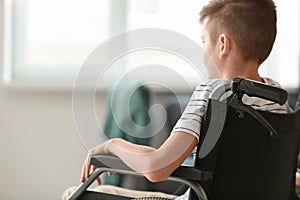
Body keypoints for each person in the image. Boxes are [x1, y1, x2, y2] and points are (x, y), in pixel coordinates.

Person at [62, 0, 292, 199]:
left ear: (222, 44)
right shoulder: (278, 98)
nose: (204, 53)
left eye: (204, 42)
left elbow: (157, 167)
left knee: (74, 194)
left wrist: (112, 145)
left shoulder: (213, 94)